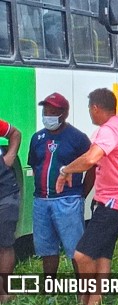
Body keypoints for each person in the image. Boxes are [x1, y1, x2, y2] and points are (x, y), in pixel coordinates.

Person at [55, 88, 118, 305]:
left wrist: (65, 171)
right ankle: (96, 300)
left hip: (115, 202)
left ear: (95, 108)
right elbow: (90, 155)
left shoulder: (109, 130)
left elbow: (91, 158)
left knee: (82, 255)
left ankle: (87, 298)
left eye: (89, 110)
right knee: (103, 254)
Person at [28, 92, 94, 277]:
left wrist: (81, 194)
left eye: (52, 111)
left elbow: (91, 166)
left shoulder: (77, 138)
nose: (47, 115)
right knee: (47, 249)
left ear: (64, 113)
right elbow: (34, 164)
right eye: (45, 110)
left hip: (68, 200)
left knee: (75, 249)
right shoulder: (37, 138)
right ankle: (49, 287)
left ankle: (83, 290)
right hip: (41, 201)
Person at [0, 119, 21, 304]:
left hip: (5, 191)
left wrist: (10, 156)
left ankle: (6, 291)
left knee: (5, 243)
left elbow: (15, 133)